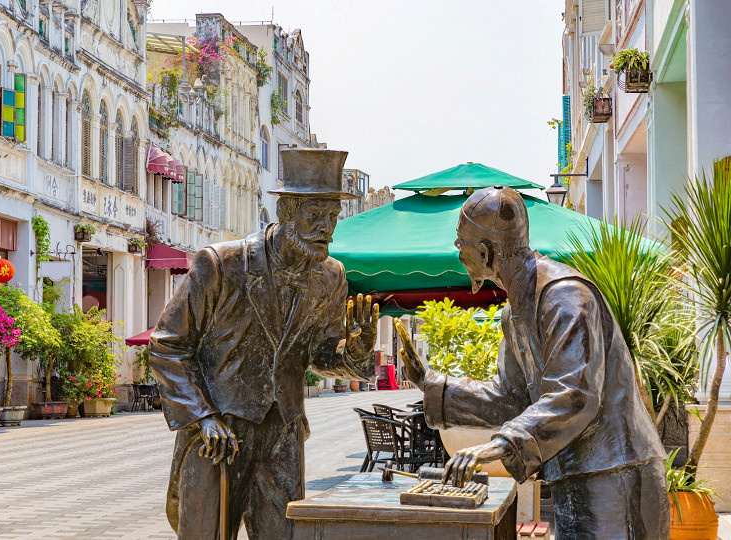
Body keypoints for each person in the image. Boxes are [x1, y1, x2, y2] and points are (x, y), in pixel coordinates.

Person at [397, 185, 668, 539]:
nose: (457, 251)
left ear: (485, 251)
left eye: (460, 243)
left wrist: (498, 445)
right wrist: (431, 384)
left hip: (616, 472)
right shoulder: (515, 312)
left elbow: (575, 394)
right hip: (579, 472)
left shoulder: (565, 296)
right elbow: (509, 398)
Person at [150, 148, 378, 540]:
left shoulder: (331, 275)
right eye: (315, 216)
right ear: (286, 213)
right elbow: (168, 345)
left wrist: (354, 350)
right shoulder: (221, 264)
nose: (326, 228)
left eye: (332, 217)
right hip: (219, 433)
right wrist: (202, 417)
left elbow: (320, 355)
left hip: (283, 436)